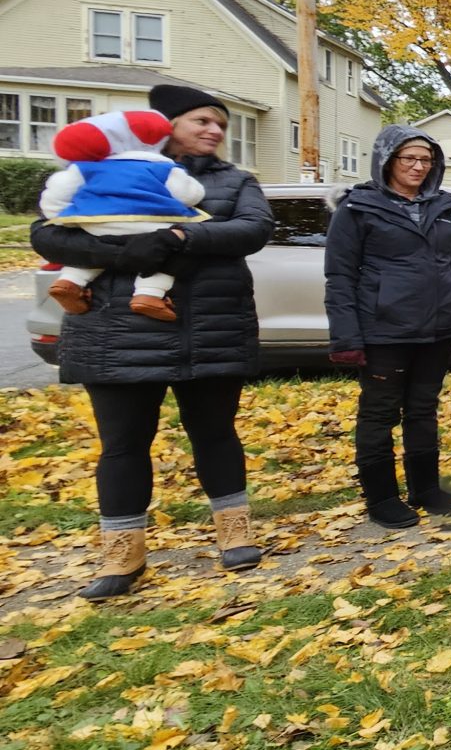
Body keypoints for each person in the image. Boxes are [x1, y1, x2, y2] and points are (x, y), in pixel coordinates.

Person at [29, 84, 273, 599]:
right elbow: (47, 233)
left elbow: (253, 230)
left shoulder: (234, 182)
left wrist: (181, 237)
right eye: (202, 121)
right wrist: (129, 250)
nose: (214, 131)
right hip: (113, 333)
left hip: (208, 329)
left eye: (220, 125)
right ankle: (122, 554)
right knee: (122, 445)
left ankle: (235, 533)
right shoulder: (103, 171)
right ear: (165, 124)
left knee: (216, 434)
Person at [323, 126, 451, 529]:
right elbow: (340, 276)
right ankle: (382, 497)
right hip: (384, 330)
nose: (418, 167)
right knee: (380, 413)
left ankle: (426, 489)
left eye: (425, 160)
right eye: (409, 159)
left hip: (437, 328)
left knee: (423, 410)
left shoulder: (443, 207)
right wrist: (346, 336)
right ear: (387, 160)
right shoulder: (358, 209)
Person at [38, 109, 207, 322]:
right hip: (150, 224)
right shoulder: (161, 167)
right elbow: (189, 194)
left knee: (92, 253)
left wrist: (66, 219)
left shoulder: (87, 167)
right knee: (168, 256)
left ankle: (69, 282)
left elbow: (57, 192)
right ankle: (149, 295)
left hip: (96, 223)